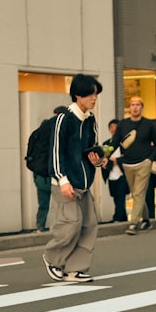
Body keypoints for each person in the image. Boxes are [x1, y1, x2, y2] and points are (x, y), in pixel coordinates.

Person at [43, 74, 104, 283]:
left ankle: (74, 269)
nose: (94, 98)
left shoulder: (90, 119)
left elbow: (91, 149)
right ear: (78, 95)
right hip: (66, 183)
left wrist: (98, 160)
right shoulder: (64, 118)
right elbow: (55, 152)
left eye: (96, 94)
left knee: (88, 225)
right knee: (71, 224)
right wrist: (62, 180)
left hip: (84, 184)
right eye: (91, 94)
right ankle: (52, 258)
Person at [111, 96, 156, 235]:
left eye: (138, 104)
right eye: (132, 104)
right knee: (136, 194)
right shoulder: (123, 124)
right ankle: (146, 220)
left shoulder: (149, 124)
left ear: (142, 107)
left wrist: (150, 160)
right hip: (128, 164)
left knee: (139, 192)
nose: (135, 107)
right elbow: (115, 142)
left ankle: (134, 223)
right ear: (129, 107)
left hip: (144, 163)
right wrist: (104, 154)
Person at [26, 106, 68, 233]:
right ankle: (58, 227)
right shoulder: (59, 130)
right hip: (55, 173)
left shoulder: (40, 129)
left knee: (43, 203)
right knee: (60, 203)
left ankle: (40, 227)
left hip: (39, 173)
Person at [103, 118, 129, 223]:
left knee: (121, 197)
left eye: (115, 127)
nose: (113, 129)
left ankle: (117, 218)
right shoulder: (106, 144)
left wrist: (116, 160)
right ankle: (123, 218)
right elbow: (103, 157)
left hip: (122, 174)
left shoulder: (125, 143)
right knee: (115, 197)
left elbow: (128, 157)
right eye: (111, 127)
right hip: (111, 175)